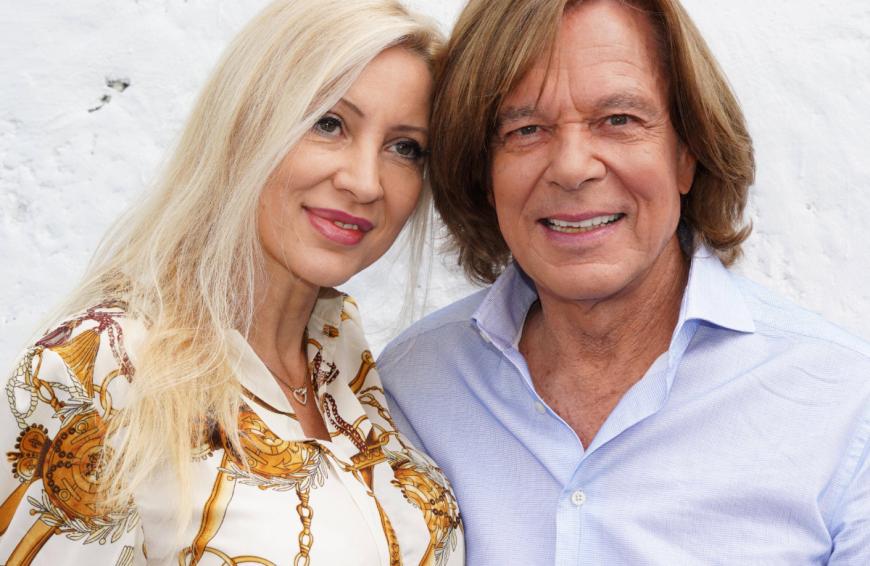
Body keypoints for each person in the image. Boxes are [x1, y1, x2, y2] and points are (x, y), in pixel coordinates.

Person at [378, 0, 869, 563]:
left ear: (687, 152)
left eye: (618, 120)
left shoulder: (845, 407)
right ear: (483, 174)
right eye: (526, 129)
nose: (572, 167)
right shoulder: (410, 390)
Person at [0, 1, 464, 564]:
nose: (366, 182)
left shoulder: (348, 364)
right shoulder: (102, 368)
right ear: (244, 123)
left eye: (404, 147)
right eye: (329, 123)